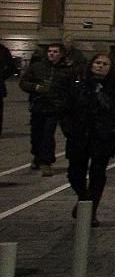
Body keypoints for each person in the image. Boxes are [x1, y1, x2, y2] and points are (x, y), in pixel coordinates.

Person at [61, 51, 115, 227]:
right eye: (98, 63)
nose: (101, 66)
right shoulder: (79, 84)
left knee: (98, 173)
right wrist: (68, 129)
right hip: (79, 134)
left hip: (103, 136)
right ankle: (84, 199)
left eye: (105, 64)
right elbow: (67, 107)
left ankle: (91, 209)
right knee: (75, 173)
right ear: (91, 65)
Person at [20, 40, 73, 175]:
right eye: (50, 51)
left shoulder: (67, 70)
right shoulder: (37, 67)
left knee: (47, 135)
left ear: (61, 54)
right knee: (36, 135)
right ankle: (37, 157)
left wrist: (65, 103)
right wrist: (35, 87)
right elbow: (23, 82)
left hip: (55, 108)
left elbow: (71, 88)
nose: (52, 54)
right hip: (38, 105)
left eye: (55, 52)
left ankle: (46, 162)